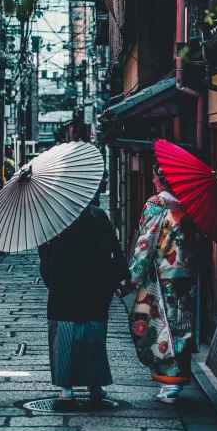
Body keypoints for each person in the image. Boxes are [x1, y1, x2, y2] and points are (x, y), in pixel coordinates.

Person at [38, 190, 128, 405]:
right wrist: (119, 279)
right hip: (95, 288)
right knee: (94, 337)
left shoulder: (53, 221)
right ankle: (95, 386)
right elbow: (112, 251)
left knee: (64, 339)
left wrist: (52, 282)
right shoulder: (97, 215)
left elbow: (45, 257)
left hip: (63, 289)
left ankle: (66, 389)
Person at [125, 164, 198, 403]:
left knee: (156, 324)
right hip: (184, 274)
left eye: (156, 177)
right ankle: (174, 380)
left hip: (161, 274)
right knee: (180, 325)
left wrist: (135, 274)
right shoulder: (185, 204)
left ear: (163, 180)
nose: (153, 181)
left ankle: (168, 383)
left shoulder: (157, 204)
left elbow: (147, 240)